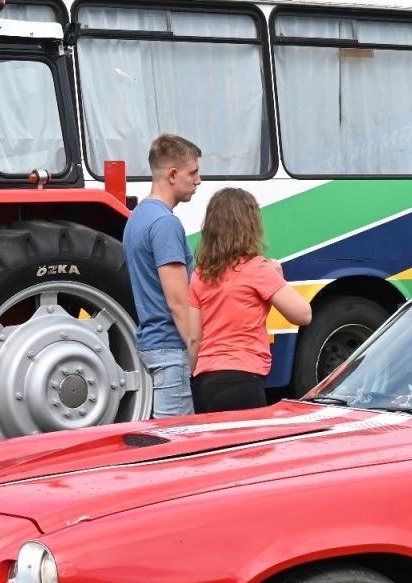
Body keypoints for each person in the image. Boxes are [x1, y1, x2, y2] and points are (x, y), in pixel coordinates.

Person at [187, 189, 312, 413]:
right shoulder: (257, 269)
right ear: (250, 225)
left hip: (205, 382)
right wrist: (278, 278)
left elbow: (193, 337)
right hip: (243, 380)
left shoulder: (200, 274)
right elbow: (303, 315)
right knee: (249, 448)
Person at [123, 133, 202, 416]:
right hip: (172, 349)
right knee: (177, 444)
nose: (198, 181)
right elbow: (178, 302)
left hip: (152, 345)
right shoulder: (165, 223)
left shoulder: (138, 217)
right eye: (192, 172)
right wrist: (195, 357)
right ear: (172, 174)